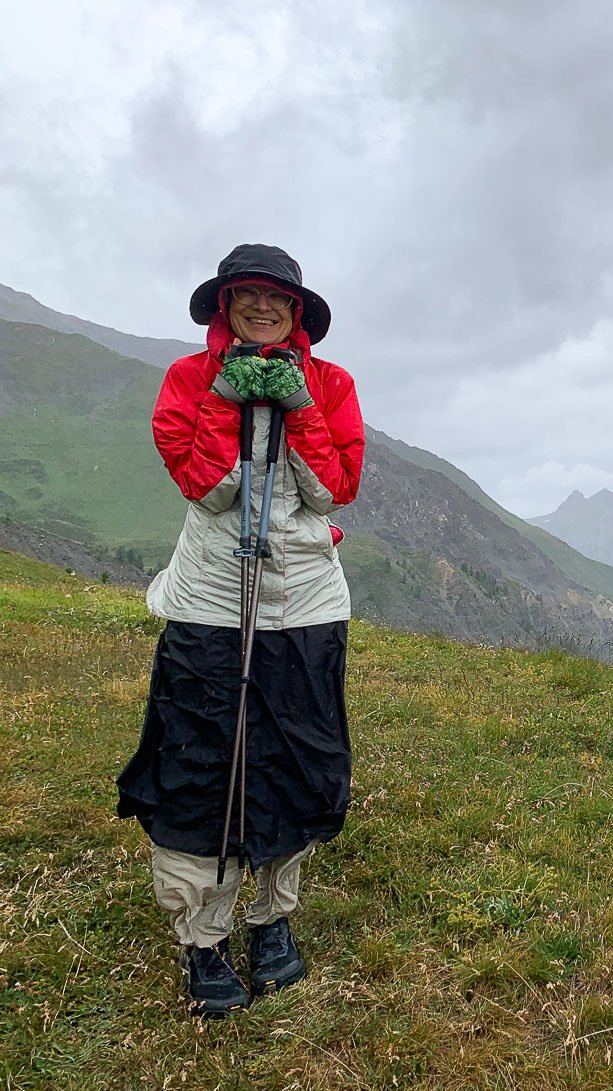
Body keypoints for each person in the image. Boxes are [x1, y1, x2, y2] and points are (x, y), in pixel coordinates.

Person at [117, 243, 364, 1017]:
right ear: (225, 307)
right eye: (247, 296)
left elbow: (333, 490)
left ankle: (272, 916)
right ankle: (204, 935)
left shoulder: (331, 385)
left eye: (277, 298)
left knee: (296, 753)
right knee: (200, 760)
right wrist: (231, 398)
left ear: (298, 314)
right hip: (211, 603)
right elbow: (204, 483)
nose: (263, 308)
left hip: (306, 604)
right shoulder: (189, 381)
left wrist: (297, 404)